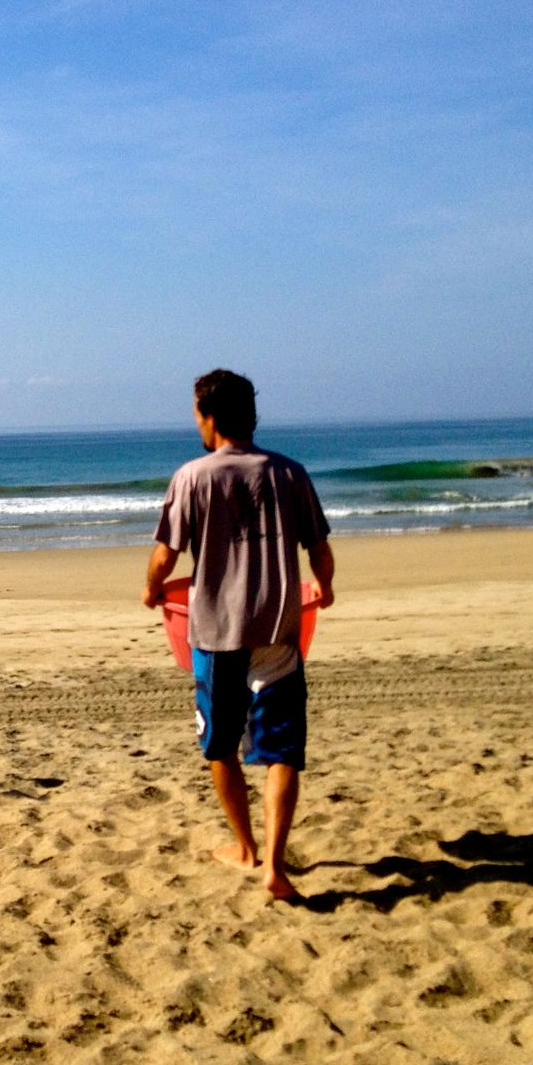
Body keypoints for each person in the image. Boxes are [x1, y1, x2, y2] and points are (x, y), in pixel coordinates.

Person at [142, 370, 335, 901]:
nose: (196, 425)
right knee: (282, 752)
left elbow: (166, 554)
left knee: (220, 745)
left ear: (210, 418)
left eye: (197, 416)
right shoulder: (290, 473)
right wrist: (327, 585)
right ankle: (275, 866)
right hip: (278, 627)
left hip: (215, 633)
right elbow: (319, 550)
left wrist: (151, 588)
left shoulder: (193, 477)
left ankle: (246, 848)